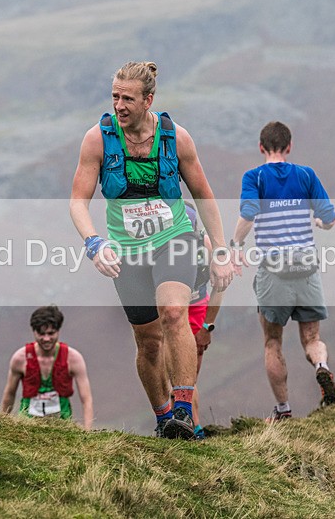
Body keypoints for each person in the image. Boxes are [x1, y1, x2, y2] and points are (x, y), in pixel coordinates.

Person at [69, 61, 234, 439]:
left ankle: (184, 411)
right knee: (148, 343)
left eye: (128, 99)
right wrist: (94, 243)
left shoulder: (176, 138)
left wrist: (221, 249)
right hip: (128, 253)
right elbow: (78, 201)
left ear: (148, 100)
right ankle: (164, 420)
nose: (119, 106)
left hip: (174, 239)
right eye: (115, 97)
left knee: (174, 313)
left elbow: (204, 196)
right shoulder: (98, 140)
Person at [231, 120, 335, 422]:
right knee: (312, 338)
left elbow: (248, 214)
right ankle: (322, 367)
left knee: (272, 342)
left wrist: (235, 244)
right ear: (289, 146)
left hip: (274, 269)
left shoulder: (254, 177)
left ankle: (283, 410)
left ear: (261, 147)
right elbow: (330, 218)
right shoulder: (306, 175)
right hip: (306, 266)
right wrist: (318, 223)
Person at [0, 305, 94, 430]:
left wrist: (87, 432)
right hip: (26, 425)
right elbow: (10, 393)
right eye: (41, 334)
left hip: (63, 426)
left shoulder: (74, 358)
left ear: (58, 331)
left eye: (51, 333)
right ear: (34, 332)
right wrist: (1, 426)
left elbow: (86, 399)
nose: (46, 339)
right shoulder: (20, 358)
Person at [183, 201, 224, 439]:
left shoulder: (205, 246)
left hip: (197, 309)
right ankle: (190, 426)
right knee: (174, 372)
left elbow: (220, 287)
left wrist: (207, 326)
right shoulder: (159, 245)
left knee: (189, 375)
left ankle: (192, 427)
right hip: (169, 309)